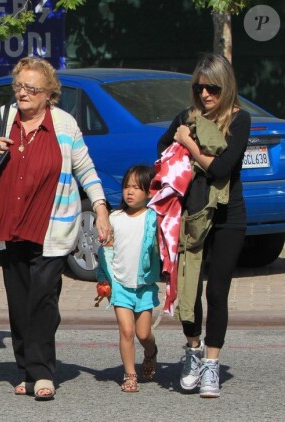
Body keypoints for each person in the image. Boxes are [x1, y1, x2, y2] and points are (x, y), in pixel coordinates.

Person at [0, 57, 111, 400]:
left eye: (32, 88)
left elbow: (86, 170)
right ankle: (25, 369)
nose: (23, 93)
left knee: (43, 300)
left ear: (49, 93)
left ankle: (43, 372)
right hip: (10, 224)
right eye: (19, 86)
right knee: (19, 303)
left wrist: (102, 209)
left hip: (53, 227)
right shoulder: (2, 119)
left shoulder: (64, 125)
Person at [157, 53, 251, 398]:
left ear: (226, 88)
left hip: (228, 216)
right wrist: (185, 148)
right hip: (193, 215)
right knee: (189, 290)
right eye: (199, 89)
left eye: (212, 88)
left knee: (217, 292)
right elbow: (162, 146)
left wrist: (191, 144)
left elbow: (223, 168)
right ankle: (193, 350)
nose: (206, 95)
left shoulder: (240, 120)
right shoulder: (187, 116)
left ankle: (212, 363)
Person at [96, 164, 160, 393]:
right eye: (126, 187)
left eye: (136, 187)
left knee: (143, 334)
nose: (130, 192)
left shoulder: (154, 219)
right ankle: (130, 375)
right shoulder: (115, 218)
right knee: (126, 331)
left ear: (150, 191)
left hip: (144, 286)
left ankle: (151, 352)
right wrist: (104, 279)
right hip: (120, 286)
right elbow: (104, 253)